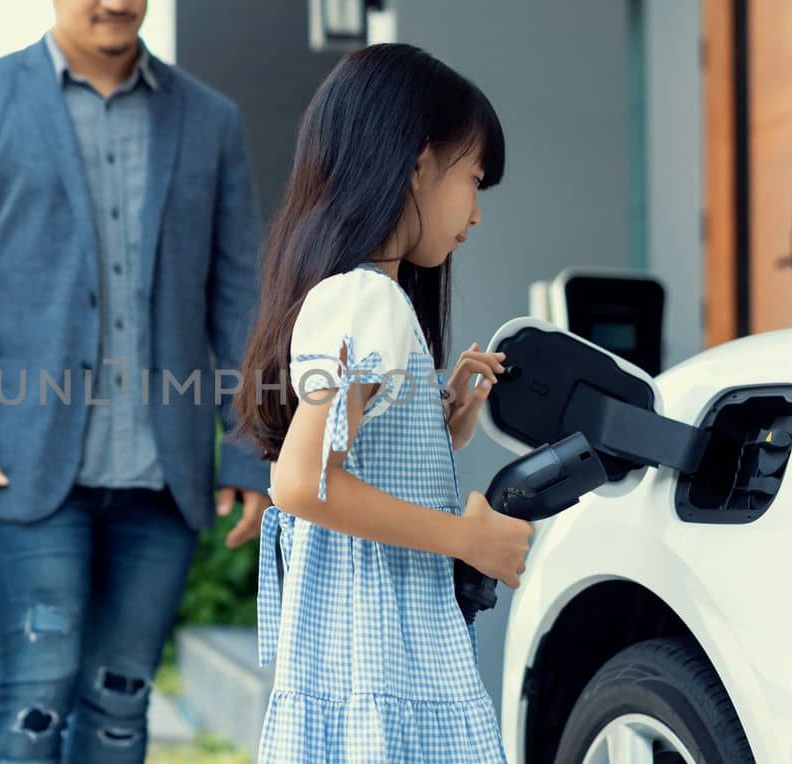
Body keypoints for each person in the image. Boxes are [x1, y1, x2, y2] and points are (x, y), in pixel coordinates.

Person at [0, 0, 269, 760]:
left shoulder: (210, 120)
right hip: (21, 462)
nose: (115, 2)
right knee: (32, 701)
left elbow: (239, 300)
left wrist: (247, 448)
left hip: (159, 476)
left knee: (119, 703)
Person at [234, 44, 534, 762]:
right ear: (419, 161)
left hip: (358, 637)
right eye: (474, 179)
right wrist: (469, 540)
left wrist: (445, 419)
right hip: (377, 637)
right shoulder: (370, 296)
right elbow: (302, 483)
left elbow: (357, 457)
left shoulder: (354, 295)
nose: (476, 214)